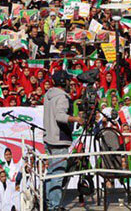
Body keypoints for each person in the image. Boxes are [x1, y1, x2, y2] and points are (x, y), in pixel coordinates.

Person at [43, 70, 82, 211]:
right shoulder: (62, 97)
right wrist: (76, 119)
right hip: (59, 139)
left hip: (49, 138)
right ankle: (54, 206)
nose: (68, 83)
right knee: (58, 175)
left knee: (51, 173)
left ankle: (48, 202)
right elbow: (60, 116)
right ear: (63, 81)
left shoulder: (48, 95)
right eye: (67, 80)